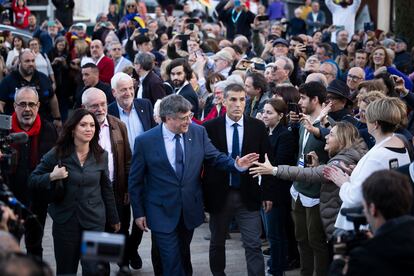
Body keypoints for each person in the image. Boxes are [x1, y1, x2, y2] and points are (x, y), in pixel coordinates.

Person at [128, 94, 259, 275]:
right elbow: (135, 181)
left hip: (189, 208)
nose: (189, 121)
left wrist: (236, 164)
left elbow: (215, 157)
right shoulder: (145, 141)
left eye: (190, 116)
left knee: (182, 254)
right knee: (170, 259)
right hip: (160, 211)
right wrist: (139, 212)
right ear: (168, 118)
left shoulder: (198, 132)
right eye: (183, 118)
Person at [29, 109, 120, 275]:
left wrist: (114, 218)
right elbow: (33, 179)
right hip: (65, 221)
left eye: (92, 125)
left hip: (95, 221)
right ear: (72, 129)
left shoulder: (102, 155)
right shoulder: (57, 153)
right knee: (66, 271)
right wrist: (51, 176)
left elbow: (106, 188)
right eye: (83, 125)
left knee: (96, 271)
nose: (89, 129)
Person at [251, 121, 367, 239]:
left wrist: (274, 170)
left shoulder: (343, 162)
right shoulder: (351, 153)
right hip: (340, 218)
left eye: (331, 134)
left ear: (342, 140)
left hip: (341, 225)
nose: (326, 136)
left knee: (319, 246)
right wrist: (319, 166)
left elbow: (309, 174)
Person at [202, 84, 272, 276]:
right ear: (223, 101)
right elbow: (207, 163)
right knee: (217, 243)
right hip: (219, 195)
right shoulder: (210, 127)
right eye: (233, 99)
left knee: (253, 244)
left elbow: (266, 162)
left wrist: (267, 193)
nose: (238, 104)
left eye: (242, 100)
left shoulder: (257, 127)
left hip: (248, 194)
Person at [324, 97, 411, 230]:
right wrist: (357, 173)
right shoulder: (401, 145)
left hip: (361, 226)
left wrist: (343, 183)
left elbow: (356, 197)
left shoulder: (377, 156)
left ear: (375, 124)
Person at [108, 72, 159, 272]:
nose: (129, 92)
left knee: (142, 216)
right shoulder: (109, 111)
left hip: (146, 172)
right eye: (123, 90)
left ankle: (131, 249)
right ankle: (122, 260)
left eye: (131, 88)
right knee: (122, 219)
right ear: (114, 92)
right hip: (121, 173)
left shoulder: (145, 105)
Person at [4, 87, 58, 259]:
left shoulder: (48, 130)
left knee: (35, 248)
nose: (27, 109)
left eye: (31, 104)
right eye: (22, 104)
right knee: (8, 250)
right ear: (14, 106)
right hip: (9, 203)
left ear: (38, 106)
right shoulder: (3, 130)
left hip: (37, 202)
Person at [330, 170, 414, 276]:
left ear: (372, 209)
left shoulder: (364, 258)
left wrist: (338, 259)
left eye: (364, 207)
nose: (364, 212)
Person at [255, 98, 298, 276]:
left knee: (275, 234)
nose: (265, 115)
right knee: (272, 233)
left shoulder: (284, 135)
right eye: (264, 111)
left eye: (269, 112)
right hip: (264, 189)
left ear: (280, 116)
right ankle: (275, 264)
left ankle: (276, 269)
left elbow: (279, 166)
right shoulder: (266, 132)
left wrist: (269, 194)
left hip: (277, 193)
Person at [0, 49, 62, 128]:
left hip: (43, 126)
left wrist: (57, 118)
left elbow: (52, 97)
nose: (31, 64)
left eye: (33, 61)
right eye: (27, 61)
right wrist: (4, 123)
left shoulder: (43, 78)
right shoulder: (8, 81)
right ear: (19, 62)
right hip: (16, 129)